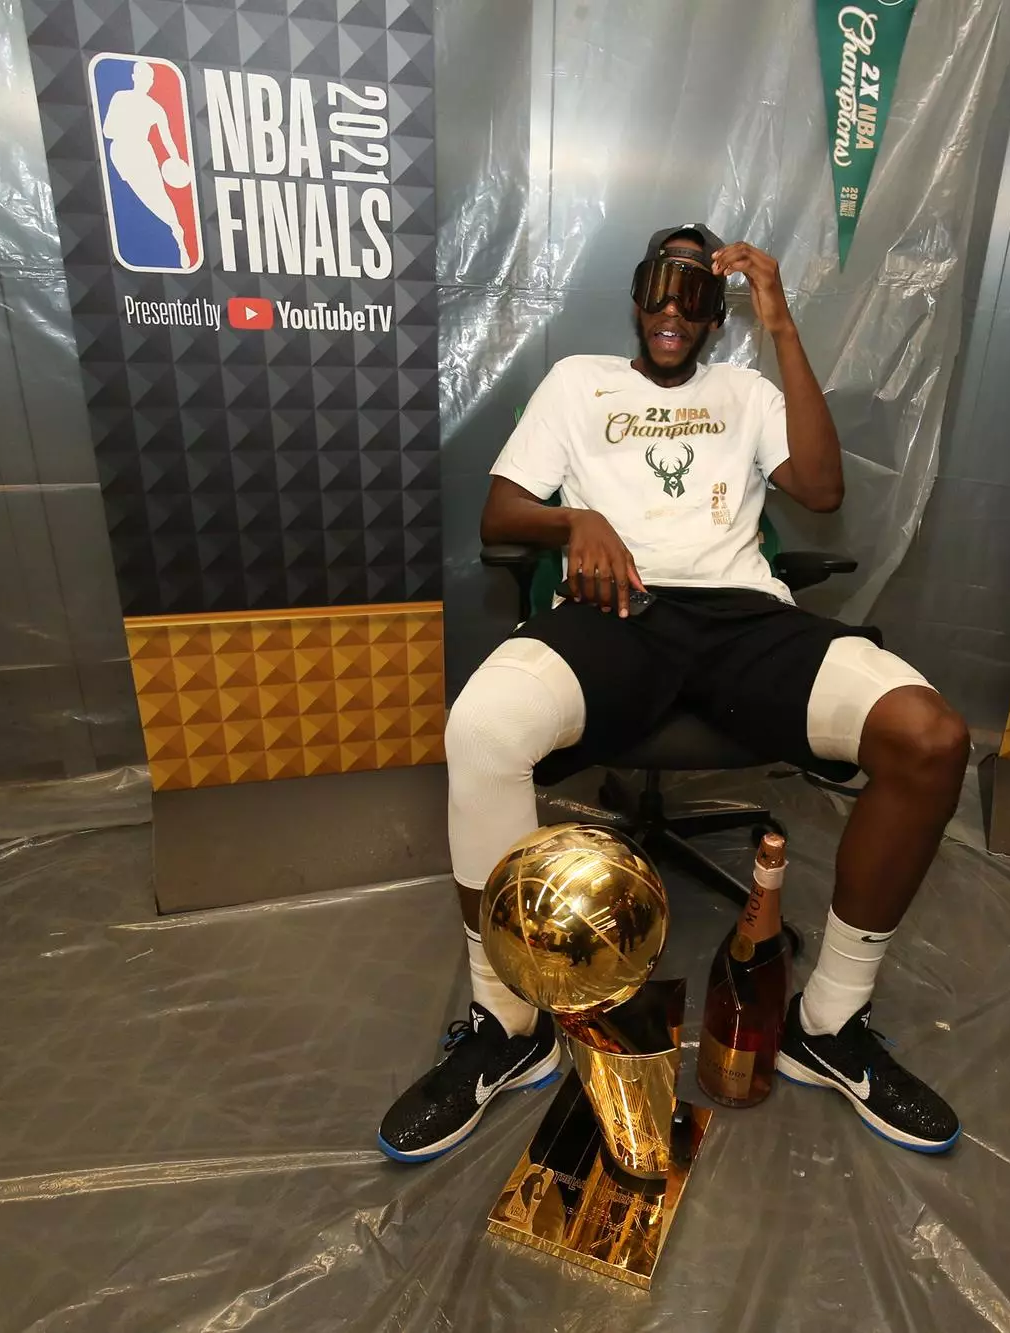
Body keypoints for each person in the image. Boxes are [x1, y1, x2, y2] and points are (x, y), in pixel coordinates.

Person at [377, 224, 970, 1163]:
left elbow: (819, 488)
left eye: (696, 294)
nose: (672, 312)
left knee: (931, 736)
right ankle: (508, 1027)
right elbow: (501, 510)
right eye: (661, 287)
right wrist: (577, 519)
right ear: (638, 295)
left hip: (743, 620)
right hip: (615, 613)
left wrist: (779, 324)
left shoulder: (748, 391)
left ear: (711, 314)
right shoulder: (578, 383)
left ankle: (828, 1025)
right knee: (482, 727)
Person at [100, 62, 193, 268]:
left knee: (159, 198)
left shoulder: (155, 108)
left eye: (149, 78)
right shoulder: (120, 98)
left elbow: (167, 140)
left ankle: (179, 237)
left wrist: (176, 161)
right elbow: (107, 131)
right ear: (134, 77)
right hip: (122, 154)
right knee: (134, 200)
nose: (146, 82)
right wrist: (128, 127)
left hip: (143, 154)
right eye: (142, 76)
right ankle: (170, 234)